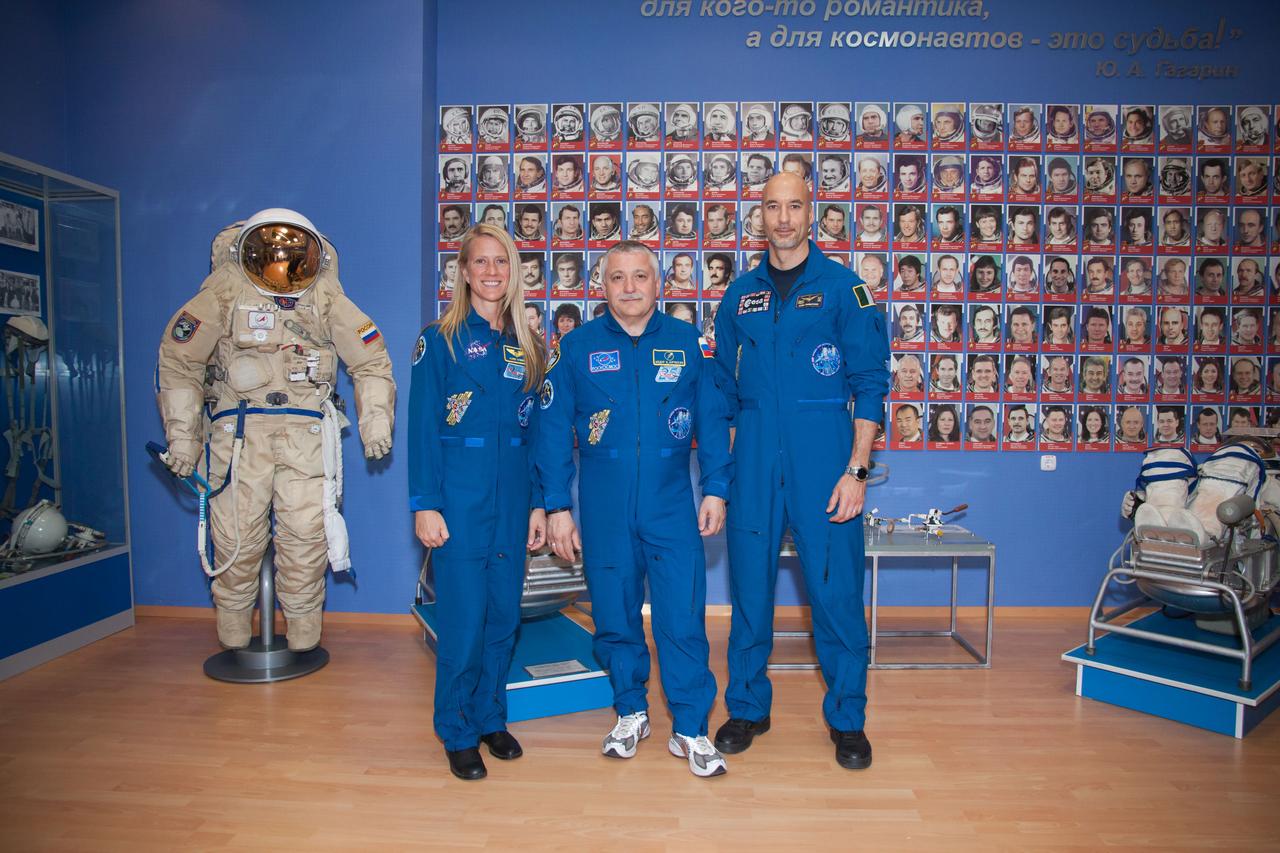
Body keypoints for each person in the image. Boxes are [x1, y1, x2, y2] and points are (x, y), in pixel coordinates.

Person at [712, 172, 888, 771]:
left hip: (824, 463)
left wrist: (857, 471)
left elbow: (869, 385)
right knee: (750, 596)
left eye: (795, 206)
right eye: (771, 207)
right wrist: (729, 473)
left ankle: (848, 718)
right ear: (758, 215)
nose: (783, 218)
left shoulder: (847, 290)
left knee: (837, 595)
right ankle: (747, 708)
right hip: (755, 461)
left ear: (813, 213)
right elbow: (726, 396)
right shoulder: (739, 296)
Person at [158, 208, 395, 651]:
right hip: (239, 431)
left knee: (307, 536)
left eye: (293, 250)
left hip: (305, 434)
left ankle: (304, 628)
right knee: (235, 536)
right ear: (248, 249)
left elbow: (370, 359)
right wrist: (182, 438)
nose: (281, 259)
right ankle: (232, 623)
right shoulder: (224, 292)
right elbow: (180, 360)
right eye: (270, 248)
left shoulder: (324, 296)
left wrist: (376, 422)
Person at [537, 240, 731, 778]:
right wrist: (556, 506)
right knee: (615, 617)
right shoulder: (575, 348)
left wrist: (715, 488)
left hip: (671, 505)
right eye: (618, 277)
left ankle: (690, 727)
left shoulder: (691, 343)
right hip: (603, 506)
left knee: (682, 618)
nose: (629, 287)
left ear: (658, 283)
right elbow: (551, 432)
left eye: (640, 276)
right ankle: (630, 711)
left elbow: (713, 421)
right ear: (602, 286)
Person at [409, 223, 546, 780]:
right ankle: (458, 729)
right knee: (464, 622)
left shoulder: (527, 346)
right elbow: (420, 428)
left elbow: (536, 434)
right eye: (481, 262)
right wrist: (425, 503)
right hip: (459, 502)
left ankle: (491, 716)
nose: (492, 272)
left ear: (513, 272)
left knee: (503, 618)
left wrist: (538, 503)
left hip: (512, 502)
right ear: (463, 272)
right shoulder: (436, 341)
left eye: (502, 263)